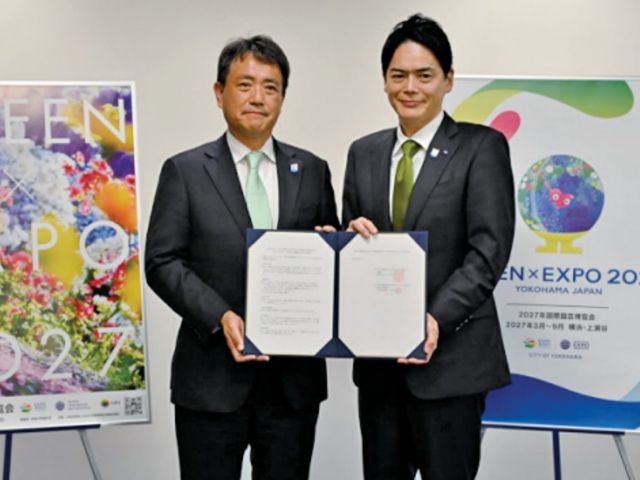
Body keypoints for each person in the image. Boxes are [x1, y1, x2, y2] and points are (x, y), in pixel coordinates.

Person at [145, 35, 339, 480]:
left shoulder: (312, 169)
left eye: (271, 87)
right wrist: (220, 316)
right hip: (211, 379)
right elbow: (162, 261)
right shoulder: (185, 171)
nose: (258, 98)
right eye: (245, 84)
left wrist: (334, 249)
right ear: (220, 93)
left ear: (283, 97)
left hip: (292, 385)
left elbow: (330, 254)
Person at [342, 14, 515, 480]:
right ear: (384, 81)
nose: (410, 87)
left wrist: (435, 317)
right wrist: (345, 241)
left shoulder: (482, 147)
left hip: (452, 364)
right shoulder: (363, 153)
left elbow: (488, 251)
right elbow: (352, 242)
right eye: (398, 75)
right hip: (380, 369)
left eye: (424, 75)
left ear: (448, 80)